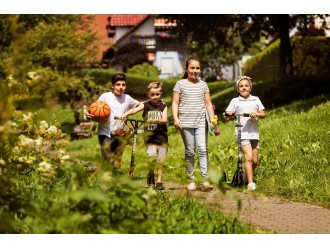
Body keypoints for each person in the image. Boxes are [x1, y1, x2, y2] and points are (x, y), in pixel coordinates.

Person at [172, 57, 215, 191]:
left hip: (201, 122)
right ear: (186, 69)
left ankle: (205, 180)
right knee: (190, 151)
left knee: (203, 149)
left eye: (197, 68)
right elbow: (175, 103)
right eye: (192, 68)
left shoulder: (203, 85)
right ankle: (190, 179)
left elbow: (208, 103)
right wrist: (175, 119)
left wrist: (212, 120)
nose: (195, 71)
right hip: (185, 123)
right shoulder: (180, 84)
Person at [85, 73, 142, 173]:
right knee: (107, 158)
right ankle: (106, 184)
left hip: (119, 133)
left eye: (123, 85)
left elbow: (140, 104)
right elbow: (94, 109)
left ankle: (113, 181)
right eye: (118, 84)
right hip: (105, 133)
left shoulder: (127, 98)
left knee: (116, 162)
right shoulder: (105, 96)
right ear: (112, 85)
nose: (121, 87)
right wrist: (87, 113)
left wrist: (155, 103)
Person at [118, 82, 168, 190]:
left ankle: (159, 182)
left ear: (160, 94)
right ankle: (150, 173)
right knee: (152, 158)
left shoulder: (163, 106)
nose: (155, 97)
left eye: (157, 94)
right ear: (148, 95)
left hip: (162, 138)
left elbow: (164, 120)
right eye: (152, 95)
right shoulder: (146, 105)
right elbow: (134, 110)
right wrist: (125, 115)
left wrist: (154, 119)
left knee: (161, 161)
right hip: (150, 138)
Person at [225, 76, 266, 191]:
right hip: (242, 133)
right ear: (238, 89)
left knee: (255, 160)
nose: (244, 88)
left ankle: (245, 177)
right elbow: (226, 116)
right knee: (248, 157)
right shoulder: (235, 101)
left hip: (254, 133)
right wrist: (228, 113)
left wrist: (256, 114)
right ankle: (250, 183)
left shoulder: (256, 99)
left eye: (246, 85)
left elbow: (263, 114)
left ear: (250, 88)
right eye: (241, 86)